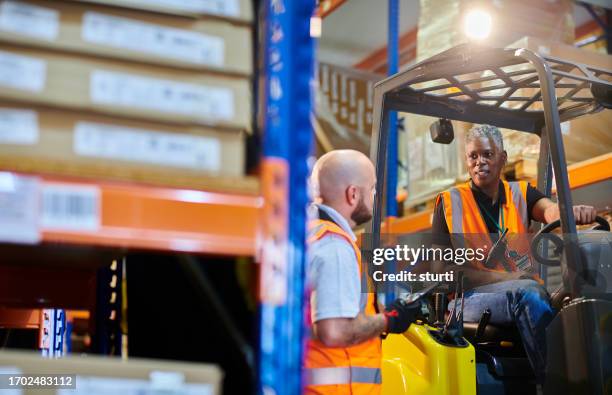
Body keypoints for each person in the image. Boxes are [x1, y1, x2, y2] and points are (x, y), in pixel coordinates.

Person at [431, 124, 598, 380]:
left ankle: (590, 375)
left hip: (520, 289)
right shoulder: (450, 203)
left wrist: (569, 214)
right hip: (466, 300)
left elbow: (549, 211)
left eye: (487, 154)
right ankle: (555, 384)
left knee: (569, 298)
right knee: (528, 295)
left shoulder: (520, 193)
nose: (480, 162)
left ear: (503, 158)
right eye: (473, 156)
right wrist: (507, 279)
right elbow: (443, 273)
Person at [304, 149, 419, 395]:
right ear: (353, 194)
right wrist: (389, 320)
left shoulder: (314, 233)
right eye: (373, 189)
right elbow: (334, 331)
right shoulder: (335, 246)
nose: (375, 195)